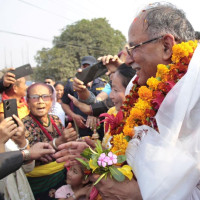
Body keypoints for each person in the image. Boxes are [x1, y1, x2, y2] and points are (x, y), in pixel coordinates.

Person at [55, 2, 200, 200]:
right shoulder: (142, 85)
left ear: (167, 46)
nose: (128, 60)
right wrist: (101, 157)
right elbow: (143, 152)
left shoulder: (196, 88)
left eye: (133, 48)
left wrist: (140, 196)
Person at [22, 82, 78, 200]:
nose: (40, 101)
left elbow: (64, 144)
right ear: (27, 101)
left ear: (52, 100)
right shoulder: (22, 125)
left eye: (45, 97)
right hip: (39, 183)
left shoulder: (55, 119)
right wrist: (59, 141)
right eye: (35, 97)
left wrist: (71, 139)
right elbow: (25, 157)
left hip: (62, 176)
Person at [61, 56, 106, 138]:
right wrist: (74, 116)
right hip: (82, 126)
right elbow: (64, 103)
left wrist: (93, 112)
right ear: (81, 67)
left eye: (89, 67)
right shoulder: (72, 84)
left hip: (100, 125)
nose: (87, 69)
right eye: (84, 67)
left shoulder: (103, 83)